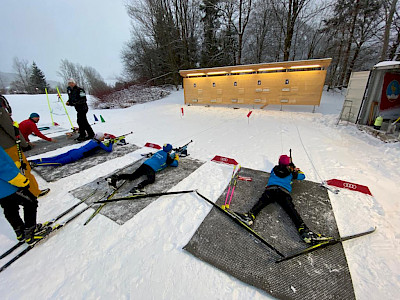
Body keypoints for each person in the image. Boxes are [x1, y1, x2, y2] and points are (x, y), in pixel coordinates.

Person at [235, 154, 330, 245]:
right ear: (288, 164)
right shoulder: (291, 173)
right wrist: (297, 170)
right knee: (292, 211)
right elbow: (302, 176)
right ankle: (304, 231)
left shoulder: (274, 169)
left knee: (261, 202)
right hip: (283, 193)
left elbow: (281, 171)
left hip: (270, 190)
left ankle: (250, 216)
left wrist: (290, 168)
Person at [0, 94, 49, 198]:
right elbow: (12, 129)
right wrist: (24, 144)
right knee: (22, 167)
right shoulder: (29, 123)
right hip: (8, 146)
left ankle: (14, 193)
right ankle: (33, 191)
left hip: (3, 147)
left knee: (7, 170)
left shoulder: (27, 122)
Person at [0, 146, 48, 244]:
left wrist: (15, 166)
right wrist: (20, 180)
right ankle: (30, 232)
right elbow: (2, 168)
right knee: (30, 201)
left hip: (2, 191)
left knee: (10, 208)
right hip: (8, 186)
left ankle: (20, 232)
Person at [108, 143, 179, 194]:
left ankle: (115, 178)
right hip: (151, 168)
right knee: (151, 180)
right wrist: (176, 157)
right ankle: (138, 188)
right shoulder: (168, 157)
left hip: (145, 164)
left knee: (132, 176)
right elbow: (175, 164)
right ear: (169, 150)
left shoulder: (159, 151)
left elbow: (162, 158)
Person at [29, 132, 113, 166]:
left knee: (55, 158)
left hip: (74, 151)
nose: (103, 138)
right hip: (76, 155)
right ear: (100, 138)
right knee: (57, 162)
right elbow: (109, 150)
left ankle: (36, 160)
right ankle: (36, 164)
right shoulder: (99, 144)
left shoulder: (93, 140)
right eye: (103, 137)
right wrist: (111, 143)